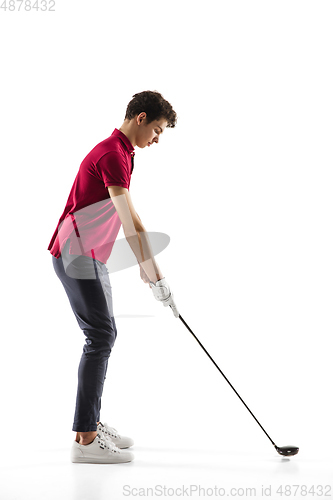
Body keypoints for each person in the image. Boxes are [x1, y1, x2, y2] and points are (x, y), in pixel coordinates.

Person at [48, 90, 179, 464]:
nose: (157, 140)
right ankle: (85, 441)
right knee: (101, 335)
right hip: (76, 254)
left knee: (105, 334)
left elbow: (121, 220)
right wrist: (156, 275)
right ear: (140, 118)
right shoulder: (112, 154)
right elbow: (131, 220)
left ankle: (89, 423)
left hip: (91, 255)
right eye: (156, 130)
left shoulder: (123, 152)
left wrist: (145, 268)